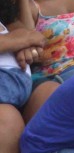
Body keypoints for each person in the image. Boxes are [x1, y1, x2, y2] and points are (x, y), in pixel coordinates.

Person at [0, 19, 39, 153]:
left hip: (20, 82)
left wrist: (25, 43)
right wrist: (16, 41)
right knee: (7, 119)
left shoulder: (7, 19)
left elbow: (37, 38)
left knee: (51, 92)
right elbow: (28, 37)